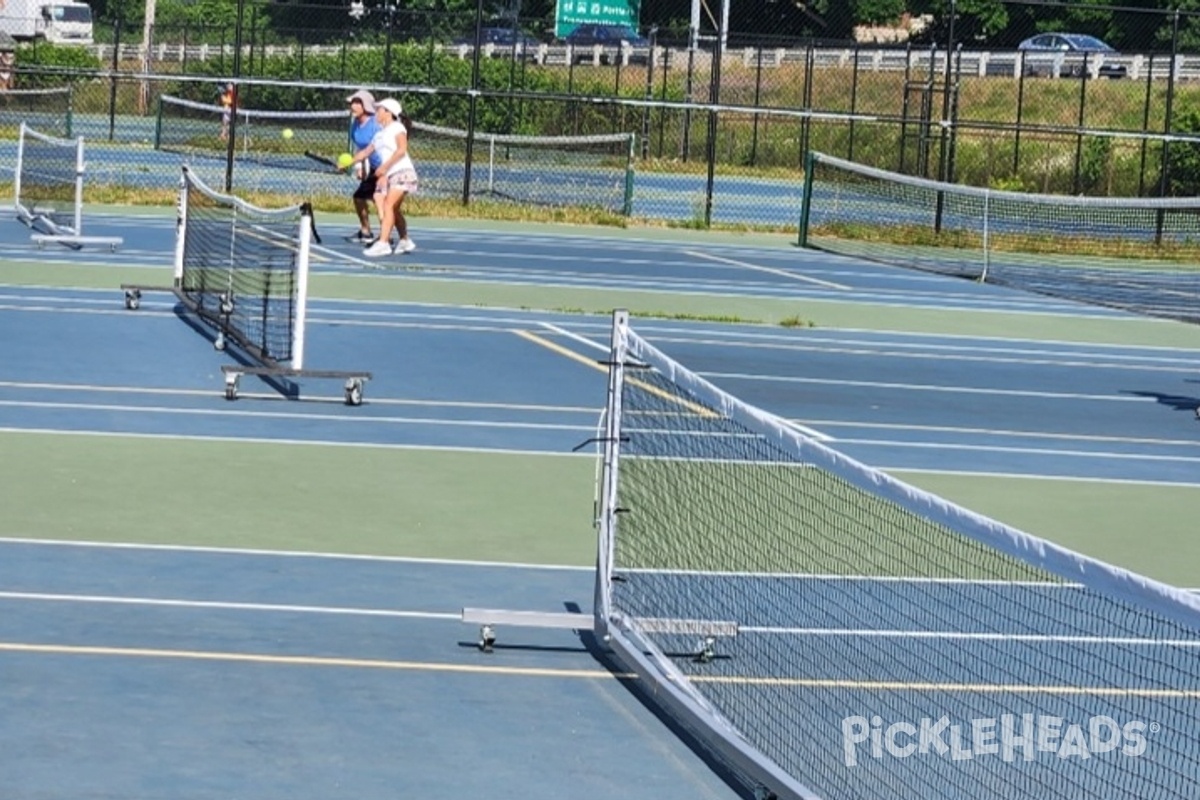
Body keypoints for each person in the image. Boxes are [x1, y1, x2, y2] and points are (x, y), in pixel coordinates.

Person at [361, 97, 418, 257]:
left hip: (403, 172)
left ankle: (384, 243)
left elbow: (401, 150)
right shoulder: (380, 135)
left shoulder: (397, 127)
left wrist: (384, 168)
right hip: (393, 174)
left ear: (388, 112)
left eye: (379, 110)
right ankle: (405, 240)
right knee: (393, 209)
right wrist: (347, 163)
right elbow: (365, 152)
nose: (376, 113)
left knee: (387, 204)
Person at [343, 89, 382, 244]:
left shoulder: (376, 124)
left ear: (365, 106)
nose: (353, 106)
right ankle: (366, 232)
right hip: (373, 167)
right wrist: (360, 167)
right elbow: (361, 149)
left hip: (387, 167)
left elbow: (378, 146)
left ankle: (386, 236)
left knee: (381, 201)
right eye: (352, 102)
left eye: (357, 102)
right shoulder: (355, 127)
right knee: (359, 198)